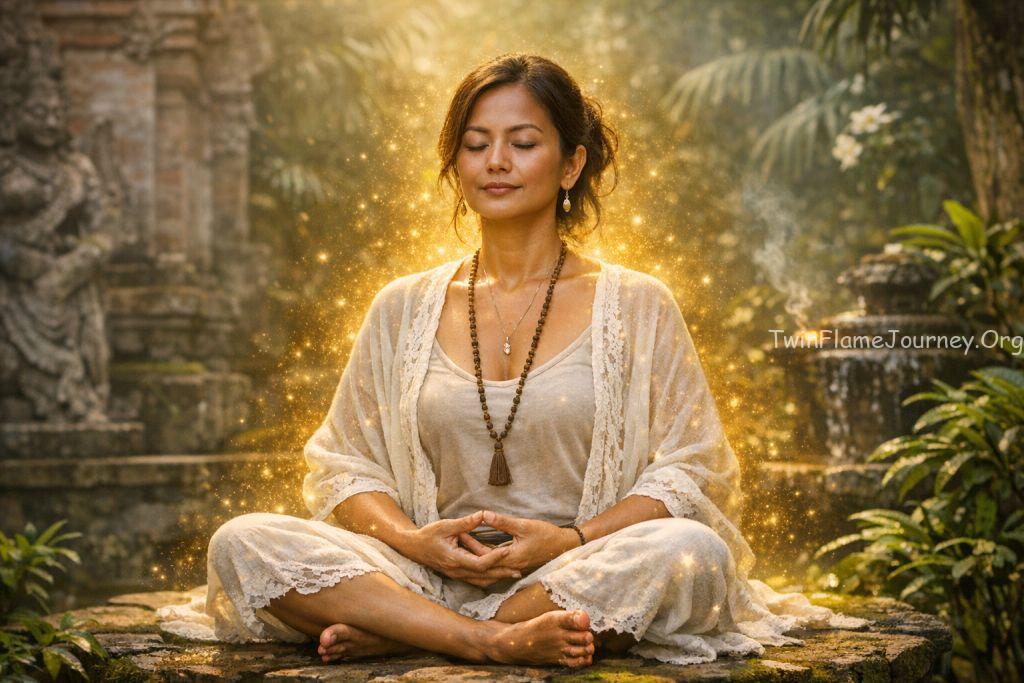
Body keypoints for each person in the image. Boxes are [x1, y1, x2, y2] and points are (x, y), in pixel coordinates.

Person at [157, 52, 865, 668]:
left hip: (575, 571)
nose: (496, 162)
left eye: (523, 142)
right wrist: (417, 542)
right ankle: (482, 637)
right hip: (420, 572)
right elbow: (346, 466)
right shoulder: (402, 305)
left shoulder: (638, 303)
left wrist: (568, 536)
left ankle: (411, 633)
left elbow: (690, 467)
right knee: (242, 542)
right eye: (476, 144)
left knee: (690, 552)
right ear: (455, 163)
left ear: (572, 162)